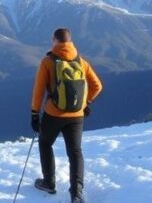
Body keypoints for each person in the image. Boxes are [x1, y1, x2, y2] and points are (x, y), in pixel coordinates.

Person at [30, 28, 103, 203]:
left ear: (55, 41)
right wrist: (85, 103)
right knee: (75, 152)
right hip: (77, 115)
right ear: (70, 42)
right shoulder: (81, 62)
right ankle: (76, 193)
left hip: (54, 113)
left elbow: (39, 91)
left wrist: (34, 113)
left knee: (45, 143)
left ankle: (49, 182)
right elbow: (97, 86)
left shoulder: (48, 62)